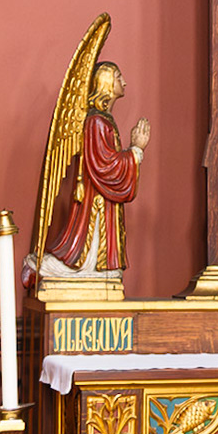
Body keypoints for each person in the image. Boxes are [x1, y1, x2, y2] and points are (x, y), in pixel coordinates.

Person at [27, 62, 149, 283]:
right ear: (106, 83)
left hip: (101, 198)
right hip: (95, 200)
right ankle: (45, 267)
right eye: (118, 77)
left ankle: (98, 269)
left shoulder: (102, 119)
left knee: (94, 257)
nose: (124, 82)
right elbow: (104, 166)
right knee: (83, 251)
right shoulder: (96, 122)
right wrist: (135, 151)